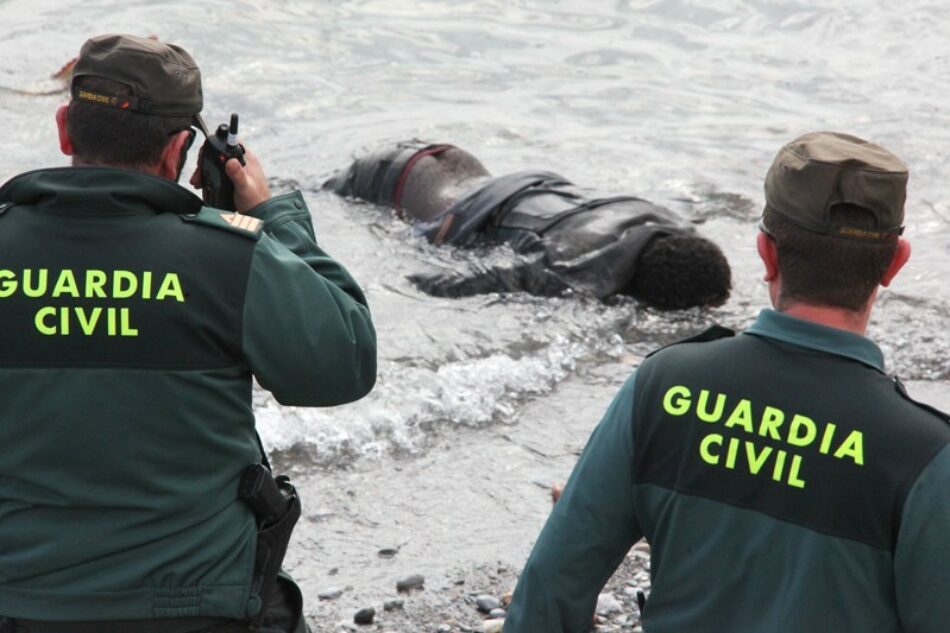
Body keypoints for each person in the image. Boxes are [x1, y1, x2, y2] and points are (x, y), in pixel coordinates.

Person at [0, 34, 376, 632]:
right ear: (179, 149)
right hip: (193, 609)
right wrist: (273, 218)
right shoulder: (230, 258)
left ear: (65, 129)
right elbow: (345, 363)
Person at [503, 131, 950, 632]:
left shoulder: (665, 386)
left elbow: (551, 585)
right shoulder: (926, 454)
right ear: (895, 262)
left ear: (766, 252)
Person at [326, 141, 731, 309]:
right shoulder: (574, 268)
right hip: (401, 185)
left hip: (460, 169)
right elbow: (475, 281)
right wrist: (389, 288)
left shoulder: (668, 221)